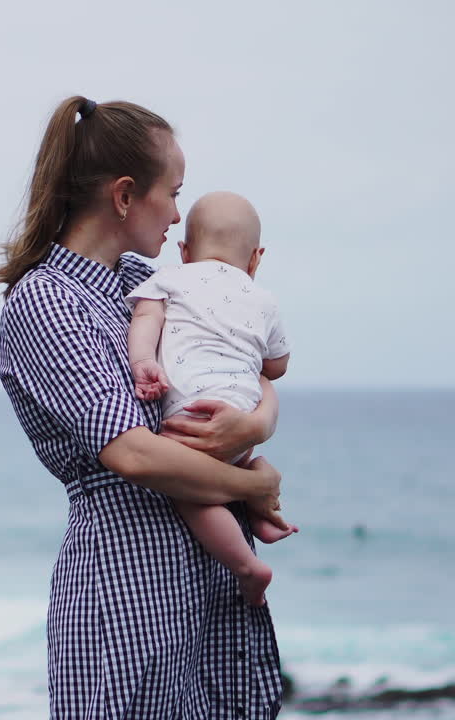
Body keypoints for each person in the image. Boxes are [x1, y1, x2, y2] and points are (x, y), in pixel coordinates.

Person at [0, 96, 289, 719]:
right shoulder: (47, 302)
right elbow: (130, 451)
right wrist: (249, 482)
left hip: (207, 584)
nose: (180, 216)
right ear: (125, 197)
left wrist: (258, 429)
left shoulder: (151, 281)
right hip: (129, 587)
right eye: (173, 193)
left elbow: (247, 361)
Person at [125, 190, 298, 607]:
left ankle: (245, 565)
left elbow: (146, 317)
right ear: (256, 258)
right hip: (243, 412)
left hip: (193, 415)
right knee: (245, 462)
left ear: (184, 251)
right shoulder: (264, 300)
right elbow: (277, 366)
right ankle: (262, 516)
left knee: (191, 493)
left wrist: (144, 361)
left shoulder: (169, 277)